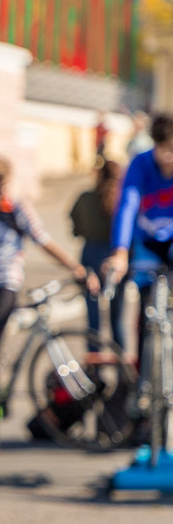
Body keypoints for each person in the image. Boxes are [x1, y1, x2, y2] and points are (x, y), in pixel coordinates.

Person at [0, 158, 97, 451]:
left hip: (4, 285)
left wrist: (75, 267)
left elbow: (43, 240)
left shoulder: (17, 211)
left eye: (4, 185)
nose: (1, 192)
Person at [103, 113, 173, 363]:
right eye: (163, 149)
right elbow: (127, 205)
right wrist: (120, 251)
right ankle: (143, 373)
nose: (168, 157)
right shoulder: (140, 163)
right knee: (146, 309)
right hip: (147, 241)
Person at [70, 161, 125, 349]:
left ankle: (94, 359)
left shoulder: (85, 198)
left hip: (91, 253)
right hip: (115, 254)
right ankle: (120, 359)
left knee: (92, 313)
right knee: (117, 315)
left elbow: (75, 226)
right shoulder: (122, 201)